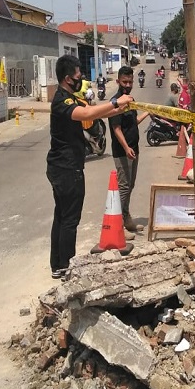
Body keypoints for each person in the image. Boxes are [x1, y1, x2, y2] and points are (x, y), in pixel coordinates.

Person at [46, 56, 133, 279]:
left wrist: (118, 108)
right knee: (69, 220)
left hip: (63, 167)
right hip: (66, 168)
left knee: (62, 215)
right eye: (77, 77)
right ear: (67, 79)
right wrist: (115, 103)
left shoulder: (70, 97)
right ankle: (66, 267)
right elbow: (86, 114)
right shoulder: (62, 101)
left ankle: (57, 265)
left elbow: (96, 112)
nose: (80, 80)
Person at [109, 67, 150, 235]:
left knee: (130, 185)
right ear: (118, 81)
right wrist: (126, 148)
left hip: (134, 150)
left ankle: (126, 219)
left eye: (130, 82)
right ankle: (117, 225)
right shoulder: (116, 101)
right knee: (124, 187)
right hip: (122, 152)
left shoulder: (130, 101)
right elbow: (116, 128)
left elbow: (133, 123)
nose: (127, 85)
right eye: (124, 82)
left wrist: (148, 112)